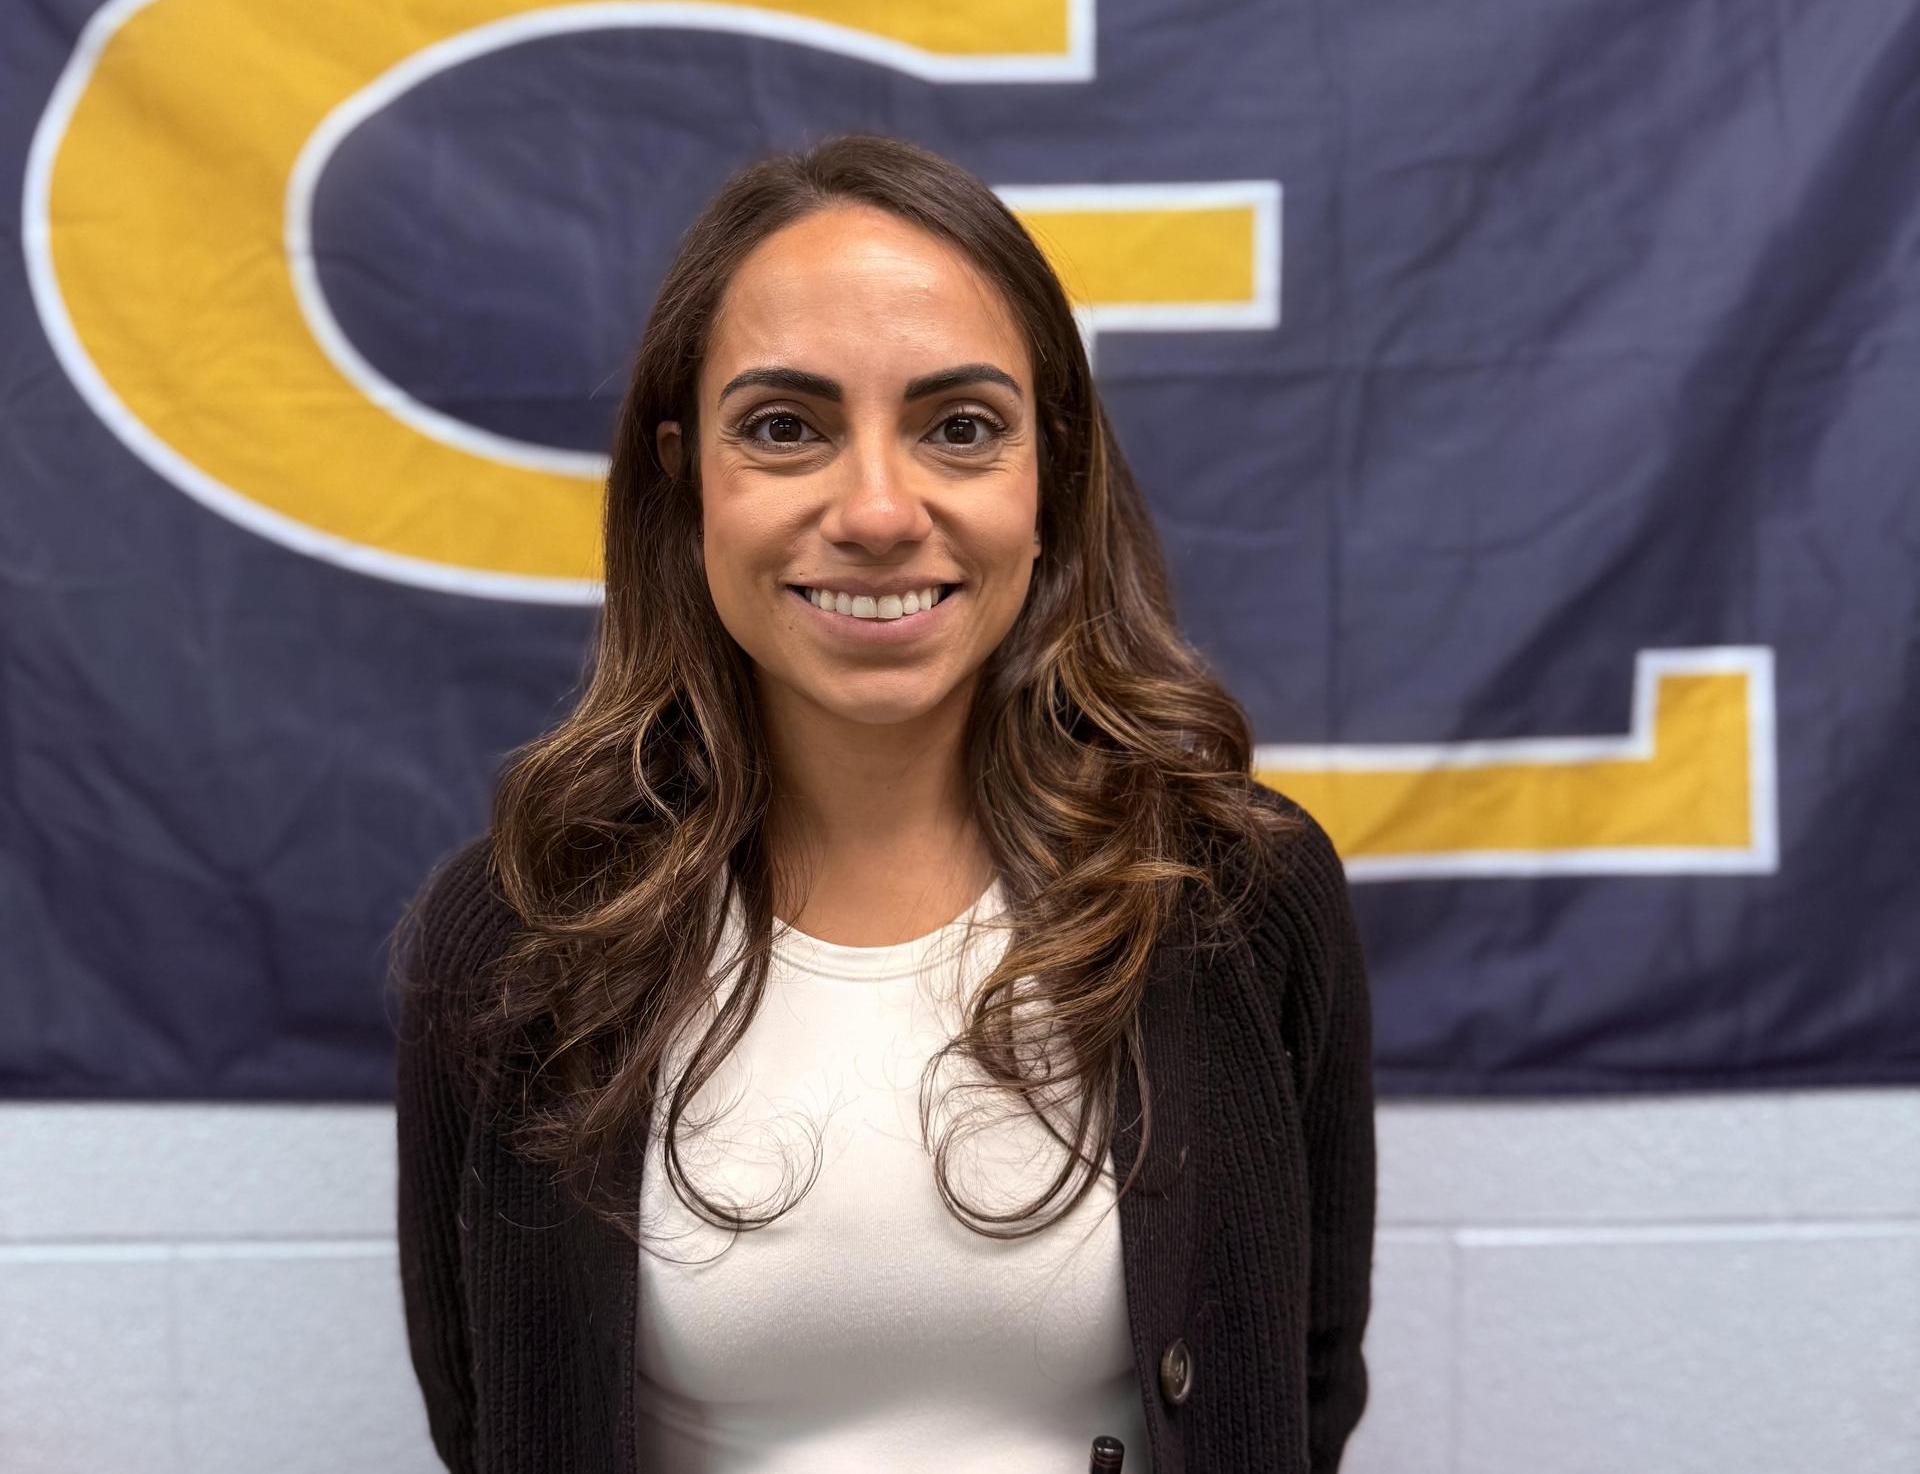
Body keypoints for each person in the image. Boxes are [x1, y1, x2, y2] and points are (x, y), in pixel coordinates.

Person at [390, 131, 1376, 1474]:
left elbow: (1299, 1394)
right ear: (685, 479)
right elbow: (487, 1418)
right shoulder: (516, 937)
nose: (874, 508)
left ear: (1051, 479)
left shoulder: (1233, 897)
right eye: (786, 427)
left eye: (959, 427)